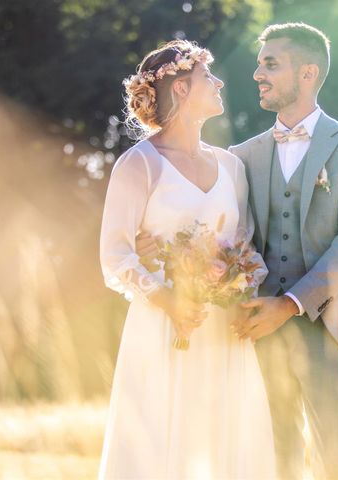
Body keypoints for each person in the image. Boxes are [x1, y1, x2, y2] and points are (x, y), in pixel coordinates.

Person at [137, 23, 338, 480]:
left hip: (334, 326)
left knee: (335, 460)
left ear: (308, 72)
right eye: (259, 63)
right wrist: (154, 244)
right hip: (255, 328)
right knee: (275, 459)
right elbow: (215, 233)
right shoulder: (240, 157)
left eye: (270, 64)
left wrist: (290, 304)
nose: (256, 74)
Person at [98, 39, 276, 479]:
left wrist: (237, 283)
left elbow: (244, 246)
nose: (218, 84)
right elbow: (115, 256)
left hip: (220, 328)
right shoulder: (138, 165)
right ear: (180, 89)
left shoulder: (231, 168)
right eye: (206, 78)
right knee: (160, 442)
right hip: (163, 324)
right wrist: (168, 299)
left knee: (222, 441)